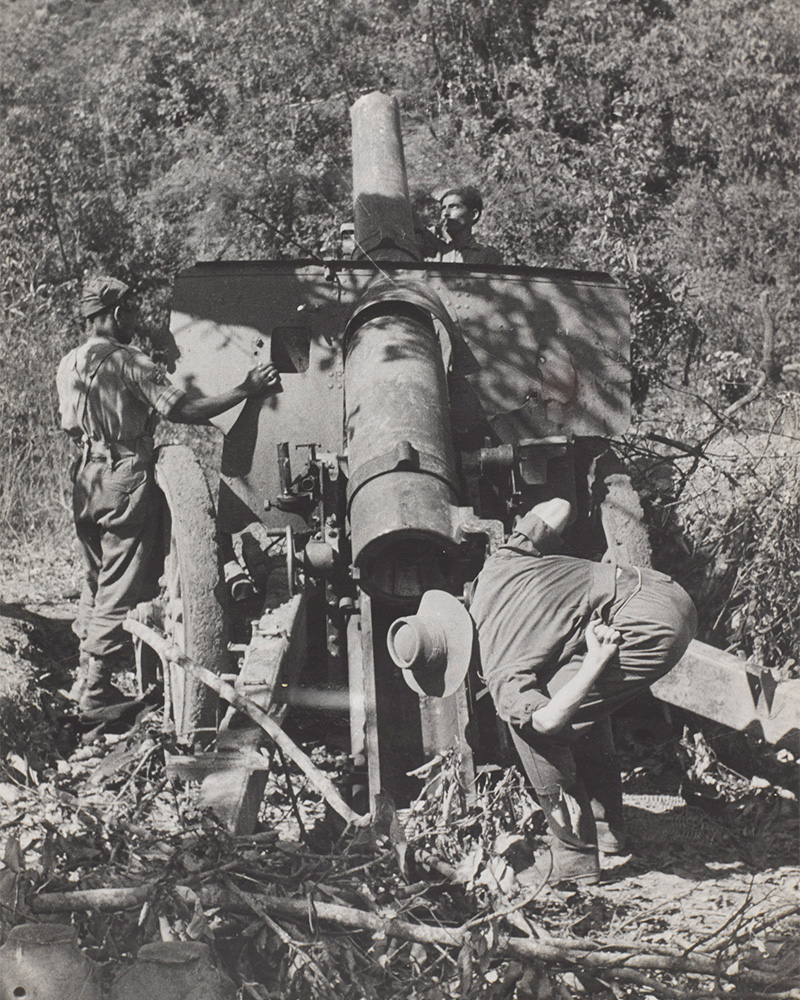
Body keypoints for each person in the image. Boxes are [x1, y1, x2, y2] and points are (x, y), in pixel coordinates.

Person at [56, 276, 282, 720]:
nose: (136, 319)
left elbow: (67, 425)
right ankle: (96, 694)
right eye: (132, 311)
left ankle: (83, 676)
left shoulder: (69, 363)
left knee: (95, 579)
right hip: (122, 476)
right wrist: (246, 388)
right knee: (119, 588)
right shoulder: (129, 361)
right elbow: (181, 410)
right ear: (116, 313)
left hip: (85, 478)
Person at [468, 498, 697, 886]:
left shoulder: (500, 671)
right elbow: (560, 506)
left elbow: (548, 720)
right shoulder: (499, 565)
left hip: (652, 629)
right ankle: (608, 830)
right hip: (661, 589)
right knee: (567, 687)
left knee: (530, 726)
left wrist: (594, 662)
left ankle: (574, 855)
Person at [423, 186, 504, 265]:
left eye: (453, 207)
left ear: (473, 215)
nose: (445, 213)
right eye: (443, 208)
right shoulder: (431, 250)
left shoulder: (488, 256)